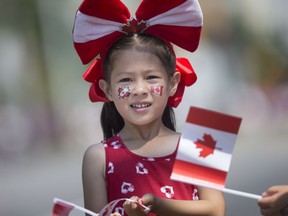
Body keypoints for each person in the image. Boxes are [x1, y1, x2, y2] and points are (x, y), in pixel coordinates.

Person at [72, 0, 225, 215]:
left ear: (173, 83)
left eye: (151, 77)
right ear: (107, 90)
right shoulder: (97, 158)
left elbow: (216, 210)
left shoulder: (200, 141)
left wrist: (160, 204)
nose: (139, 89)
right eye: (126, 80)